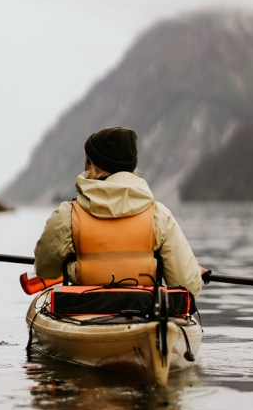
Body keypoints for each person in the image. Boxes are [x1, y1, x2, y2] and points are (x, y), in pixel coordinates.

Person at [33, 126, 203, 295]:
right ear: (131, 167)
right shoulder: (159, 215)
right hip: (144, 310)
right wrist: (193, 273)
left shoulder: (67, 215)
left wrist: (72, 269)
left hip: (84, 309)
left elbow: (45, 271)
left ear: (91, 164)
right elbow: (187, 287)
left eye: (87, 160)